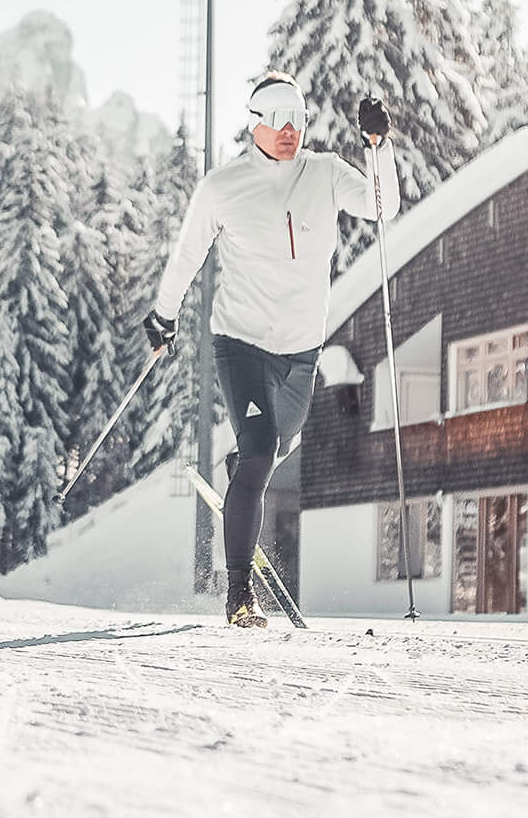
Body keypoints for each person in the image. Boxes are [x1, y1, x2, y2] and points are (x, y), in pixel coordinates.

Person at [146, 73, 398, 626]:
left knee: (272, 448)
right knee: (261, 452)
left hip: (302, 351)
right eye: (277, 118)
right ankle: (239, 592)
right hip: (242, 344)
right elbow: (187, 255)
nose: (289, 130)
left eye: (297, 119)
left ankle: (244, 470)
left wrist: (379, 147)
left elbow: (382, 206)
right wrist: (164, 314)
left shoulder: (325, 173)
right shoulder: (224, 186)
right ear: (255, 123)